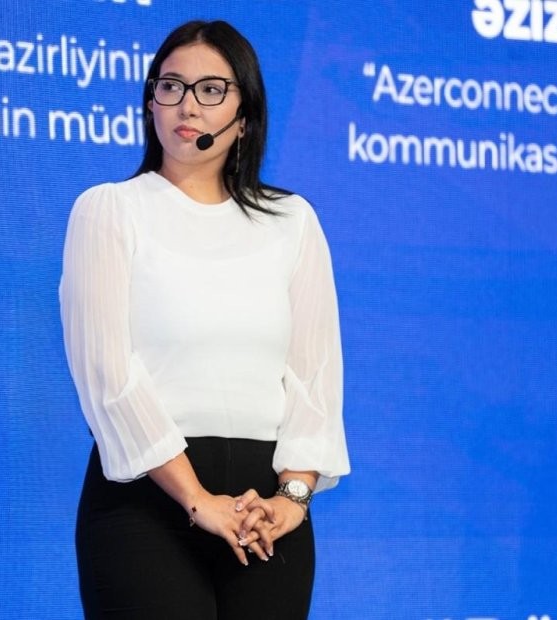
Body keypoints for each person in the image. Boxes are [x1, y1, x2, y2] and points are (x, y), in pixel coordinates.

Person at [60, 19, 349, 620]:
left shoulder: (292, 222)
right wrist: (197, 499)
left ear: (245, 116)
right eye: (170, 86)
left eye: (212, 90)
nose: (187, 105)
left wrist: (292, 500)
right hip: (146, 503)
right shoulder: (110, 211)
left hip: (266, 512)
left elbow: (315, 376)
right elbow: (108, 376)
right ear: (150, 103)